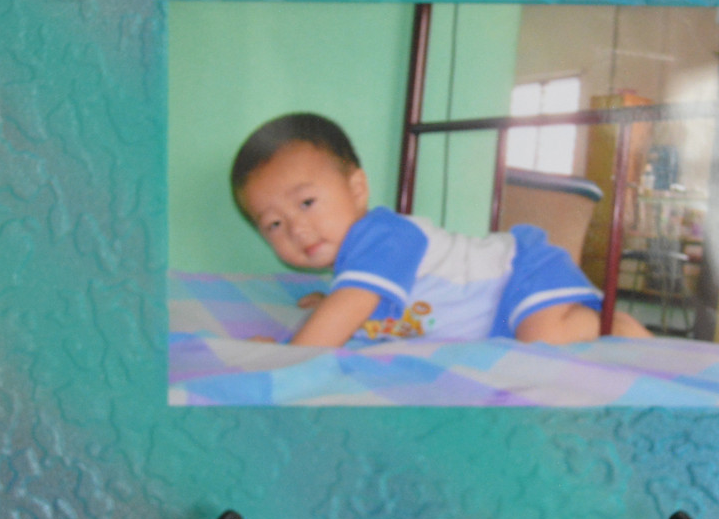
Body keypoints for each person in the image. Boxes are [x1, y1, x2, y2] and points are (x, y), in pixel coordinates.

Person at [231, 112, 652, 347]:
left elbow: (343, 314)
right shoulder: (357, 272)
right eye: (274, 224)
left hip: (522, 273)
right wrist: (335, 302)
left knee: (545, 341)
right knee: (527, 350)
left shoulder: (382, 235)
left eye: (306, 203)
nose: (298, 228)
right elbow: (360, 304)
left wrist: (285, 357)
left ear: (356, 188)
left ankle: (616, 326)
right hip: (498, 318)